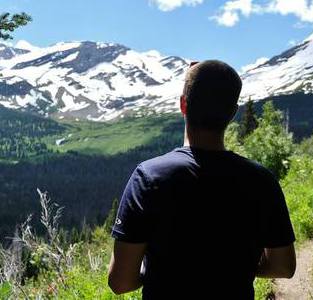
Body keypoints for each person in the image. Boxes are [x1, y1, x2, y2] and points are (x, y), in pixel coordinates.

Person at [108, 60, 296, 300]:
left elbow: (120, 282)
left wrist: (156, 270)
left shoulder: (149, 177)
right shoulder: (261, 181)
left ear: (183, 104)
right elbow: (283, 267)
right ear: (232, 113)